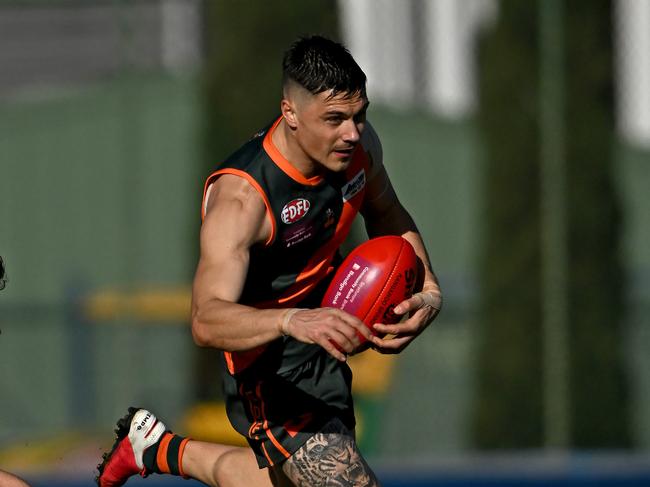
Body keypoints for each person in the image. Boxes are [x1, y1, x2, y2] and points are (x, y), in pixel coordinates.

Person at [97, 35, 442, 487]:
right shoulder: (244, 200)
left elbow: (389, 214)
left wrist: (429, 292)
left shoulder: (359, 147)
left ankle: (159, 448)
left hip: (325, 334)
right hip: (269, 365)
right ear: (290, 114)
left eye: (360, 115)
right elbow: (205, 319)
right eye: (335, 119)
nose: (352, 132)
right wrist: (291, 321)